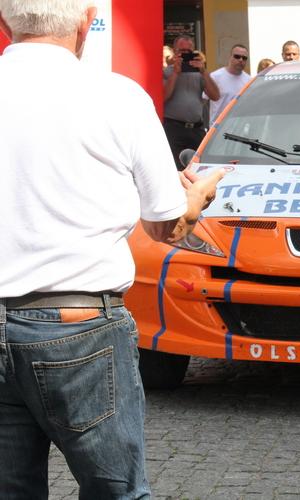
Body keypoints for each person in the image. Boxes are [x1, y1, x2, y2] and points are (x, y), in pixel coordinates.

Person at [0, 1, 225, 497]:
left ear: (4, 23)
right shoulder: (117, 96)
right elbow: (167, 226)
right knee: (116, 491)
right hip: (79, 326)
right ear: (86, 21)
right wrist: (197, 197)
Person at [163, 35, 220, 169]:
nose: (185, 54)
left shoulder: (198, 73)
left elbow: (215, 96)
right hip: (174, 128)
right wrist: (175, 73)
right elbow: (164, 96)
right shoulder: (167, 72)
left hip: (196, 129)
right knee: (176, 169)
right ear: (175, 52)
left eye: (188, 51)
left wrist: (203, 71)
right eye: (181, 51)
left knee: (198, 168)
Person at [206, 44, 251, 126]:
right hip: (218, 128)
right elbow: (204, 101)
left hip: (240, 128)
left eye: (244, 58)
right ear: (230, 57)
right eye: (237, 56)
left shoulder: (249, 81)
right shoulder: (215, 76)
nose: (241, 60)